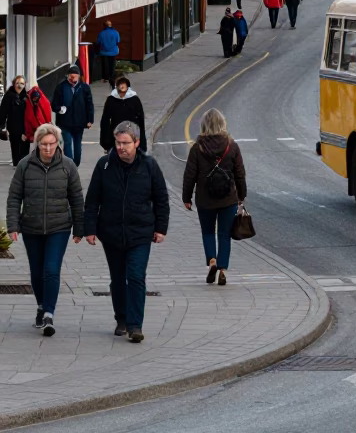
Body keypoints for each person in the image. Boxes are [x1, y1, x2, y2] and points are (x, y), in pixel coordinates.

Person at [83, 121, 169, 343]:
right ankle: (121, 318)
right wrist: (89, 229)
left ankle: (135, 325)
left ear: (137, 142)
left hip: (141, 233)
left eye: (125, 143)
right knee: (118, 278)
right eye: (118, 142)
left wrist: (161, 228)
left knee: (136, 276)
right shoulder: (104, 165)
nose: (121, 147)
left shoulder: (149, 166)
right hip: (111, 233)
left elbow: (161, 199)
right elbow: (92, 200)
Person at [5, 122, 83, 337]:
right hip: (31, 226)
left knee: (51, 269)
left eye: (51, 144)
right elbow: (14, 197)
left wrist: (79, 228)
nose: (48, 148)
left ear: (58, 144)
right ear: (37, 144)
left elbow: (77, 199)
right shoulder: (25, 165)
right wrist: (13, 225)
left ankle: (49, 313)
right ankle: (41, 306)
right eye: (43, 144)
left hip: (59, 227)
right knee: (37, 271)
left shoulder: (68, 166)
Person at [182, 108, 246, 286]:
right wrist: (241, 196)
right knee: (224, 235)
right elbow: (240, 174)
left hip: (205, 198)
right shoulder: (232, 145)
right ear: (222, 124)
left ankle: (212, 260)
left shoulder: (197, 147)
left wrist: (186, 198)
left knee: (208, 232)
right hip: (228, 198)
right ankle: (222, 269)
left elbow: (190, 175)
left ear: (204, 125)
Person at [53, 64, 94, 166]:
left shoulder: (84, 88)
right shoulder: (61, 87)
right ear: (67, 76)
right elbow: (54, 104)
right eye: (71, 75)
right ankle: (70, 165)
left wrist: (90, 120)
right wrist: (60, 109)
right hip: (64, 122)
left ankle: (76, 163)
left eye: (75, 75)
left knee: (77, 146)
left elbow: (89, 104)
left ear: (79, 76)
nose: (72, 77)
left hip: (79, 122)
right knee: (67, 144)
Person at [100, 76, 146, 153]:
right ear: (116, 86)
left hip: (132, 135)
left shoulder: (134, 99)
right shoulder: (111, 100)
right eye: (120, 84)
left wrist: (142, 142)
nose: (122, 86)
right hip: (116, 136)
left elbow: (141, 120)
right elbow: (105, 120)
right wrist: (106, 142)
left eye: (124, 84)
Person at [0, 75, 28, 166]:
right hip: (13, 126)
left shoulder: (27, 96)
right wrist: (2, 126)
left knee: (25, 147)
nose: (19, 85)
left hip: (26, 126)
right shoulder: (9, 96)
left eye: (22, 83)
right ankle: (17, 164)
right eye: (17, 83)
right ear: (14, 84)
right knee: (15, 146)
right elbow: (3, 111)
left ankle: (24, 165)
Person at [95, 20, 120, 88]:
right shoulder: (115, 32)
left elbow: (98, 42)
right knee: (112, 65)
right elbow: (118, 41)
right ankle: (112, 77)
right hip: (113, 51)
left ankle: (106, 78)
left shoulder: (101, 33)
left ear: (104, 25)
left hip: (104, 52)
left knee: (105, 65)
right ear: (111, 25)